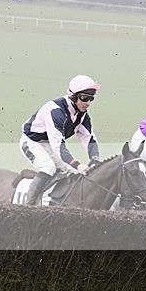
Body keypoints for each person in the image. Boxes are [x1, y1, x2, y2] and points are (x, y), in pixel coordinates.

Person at [20, 74, 101, 205]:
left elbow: (90, 139)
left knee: (75, 172)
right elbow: (58, 147)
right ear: (73, 96)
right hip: (32, 142)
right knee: (48, 167)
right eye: (84, 98)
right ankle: (28, 206)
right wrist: (78, 164)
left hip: (50, 145)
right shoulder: (56, 111)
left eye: (91, 98)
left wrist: (95, 159)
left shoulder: (83, 116)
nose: (88, 103)